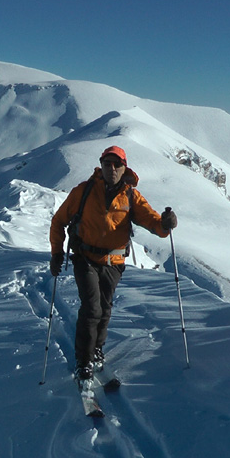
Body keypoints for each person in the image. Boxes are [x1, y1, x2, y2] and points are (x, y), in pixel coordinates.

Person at [49, 145, 177, 381]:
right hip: (85, 258)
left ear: (124, 167)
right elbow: (59, 221)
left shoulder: (131, 196)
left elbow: (153, 223)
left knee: (104, 309)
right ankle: (84, 361)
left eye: (117, 164)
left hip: (114, 262)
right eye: (107, 164)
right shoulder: (84, 191)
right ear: (101, 165)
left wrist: (166, 224)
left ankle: (96, 348)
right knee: (92, 308)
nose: (112, 168)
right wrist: (57, 252)